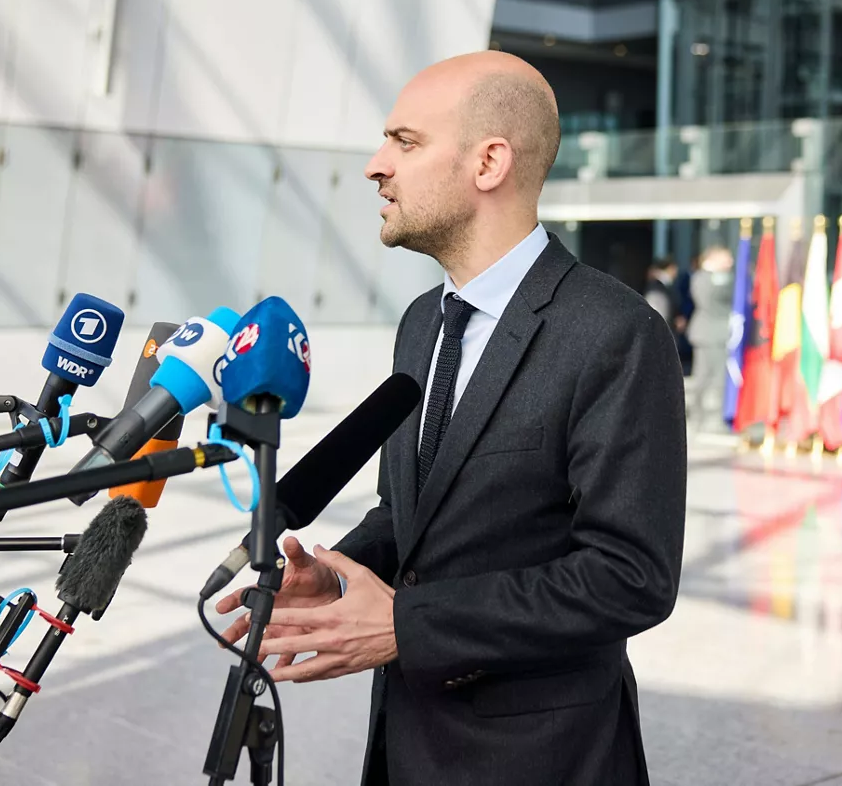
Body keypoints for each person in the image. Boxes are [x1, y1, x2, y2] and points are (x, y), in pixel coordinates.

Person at [218, 51, 687, 786]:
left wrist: (407, 625)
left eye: (404, 142)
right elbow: (407, 514)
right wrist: (339, 573)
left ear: (490, 162)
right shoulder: (420, 324)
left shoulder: (616, 333)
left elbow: (630, 577)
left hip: (541, 762)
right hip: (404, 746)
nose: (376, 165)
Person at [685, 246, 735, 433]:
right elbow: (711, 301)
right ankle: (702, 416)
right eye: (726, 258)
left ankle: (704, 417)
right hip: (711, 334)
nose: (730, 263)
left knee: (711, 377)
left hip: (714, 334)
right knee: (709, 378)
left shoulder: (718, 278)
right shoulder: (703, 278)